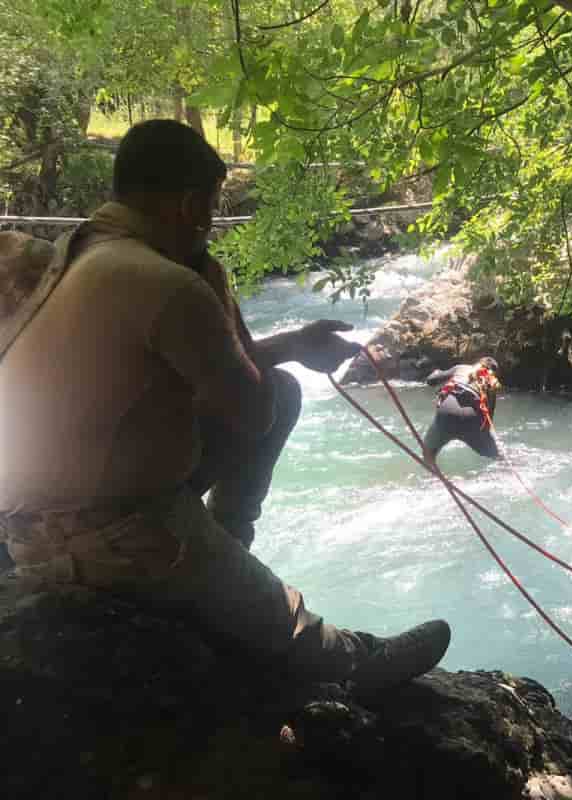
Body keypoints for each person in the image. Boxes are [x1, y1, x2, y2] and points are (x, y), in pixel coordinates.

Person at [0, 119, 449, 688]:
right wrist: (217, 287)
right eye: (211, 207)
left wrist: (290, 345)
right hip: (104, 531)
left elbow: (195, 367)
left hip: (29, 523)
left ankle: (222, 547)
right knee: (284, 630)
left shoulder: (76, 256)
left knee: (284, 389)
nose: (211, 222)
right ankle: (352, 659)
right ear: (190, 205)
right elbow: (250, 415)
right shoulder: (172, 282)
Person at [421, 357, 502, 467]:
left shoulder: (461, 368)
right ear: (493, 373)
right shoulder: (491, 385)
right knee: (497, 457)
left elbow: (431, 380)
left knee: (428, 452)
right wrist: (491, 446)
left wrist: (436, 372)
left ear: (477, 363)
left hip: (446, 413)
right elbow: (488, 423)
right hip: (472, 420)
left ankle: (435, 475)